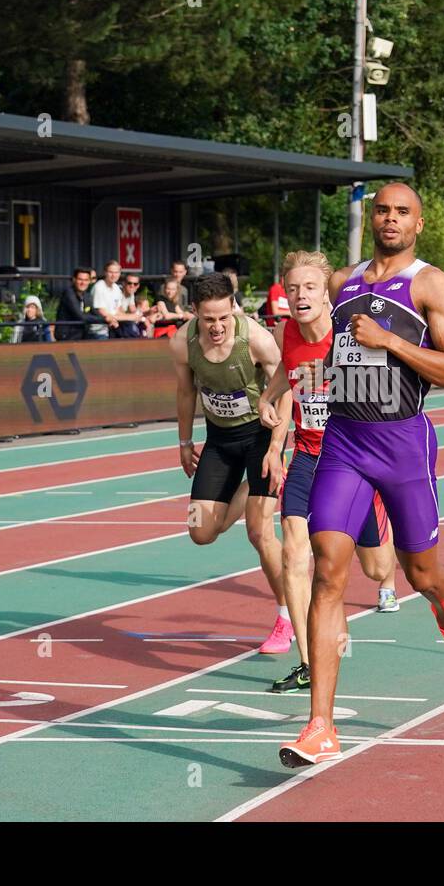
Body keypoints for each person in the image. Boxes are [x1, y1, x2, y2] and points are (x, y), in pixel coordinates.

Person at [279, 182, 444, 769]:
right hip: (344, 441)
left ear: (418, 223)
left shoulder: (429, 283)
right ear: (372, 218)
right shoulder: (343, 284)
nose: (390, 219)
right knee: (326, 571)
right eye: (383, 210)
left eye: (402, 212)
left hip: (403, 443)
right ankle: (321, 725)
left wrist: (390, 340)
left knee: (421, 571)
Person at [256, 251, 403, 693]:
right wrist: (269, 399)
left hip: (353, 456)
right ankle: (308, 661)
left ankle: (375, 522)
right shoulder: (286, 332)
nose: (300, 296)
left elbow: (395, 377)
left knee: (376, 569)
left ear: (326, 294)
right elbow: (288, 368)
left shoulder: (350, 332)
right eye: (293, 288)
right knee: (294, 554)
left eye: (310, 288)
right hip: (307, 454)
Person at [171, 274, 290, 653]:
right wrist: (185, 440)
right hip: (220, 440)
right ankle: (250, 489)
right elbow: (185, 390)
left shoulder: (256, 339)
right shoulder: (182, 343)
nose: (218, 326)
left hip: (259, 437)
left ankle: (286, 617)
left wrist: (275, 447)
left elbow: (285, 390)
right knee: (201, 531)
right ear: (194, 313)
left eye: (224, 317)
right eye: (209, 319)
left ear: (234, 307)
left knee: (259, 531)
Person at [55, 268, 106, 341]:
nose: (83, 283)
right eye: (80, 279)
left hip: (81, 335)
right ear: (74, 280)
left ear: (89, 281)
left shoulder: (87, 296)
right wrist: (104, 319)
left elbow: (94, 312)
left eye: (86, 280)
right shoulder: (69, 294)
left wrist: (109, 318)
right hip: (66, 336)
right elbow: (81, 316)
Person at [90, 262, 125, 339]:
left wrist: (135, 317)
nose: (113, 275)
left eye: (116, 272)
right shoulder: (99, 287)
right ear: (105, 272)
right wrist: (131, 317)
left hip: (113, 327)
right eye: (111, 272)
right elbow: (101, 311)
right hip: (98, 330)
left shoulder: (117, 288)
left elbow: (118, 310)